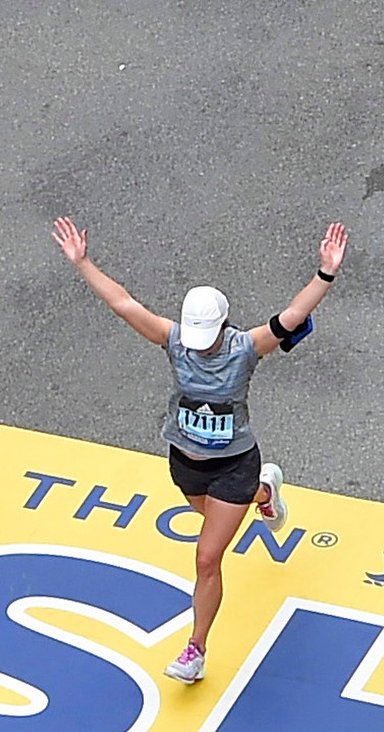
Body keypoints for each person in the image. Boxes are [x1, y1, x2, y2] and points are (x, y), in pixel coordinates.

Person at [51, 217, 348, 683]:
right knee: (211, 522)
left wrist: (325, 273)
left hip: (233, 464)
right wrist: (83, 263)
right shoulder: (174, 342)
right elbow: (123, 304)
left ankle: (196, 650)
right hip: (185, 462)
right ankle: (264, 494)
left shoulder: (246, 348)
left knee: (207, 558)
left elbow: (292, 317)